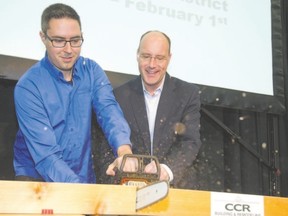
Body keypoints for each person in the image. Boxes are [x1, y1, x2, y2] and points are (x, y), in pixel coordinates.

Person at [13, 3, 135, 183]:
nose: (69, 50)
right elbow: (46, 157)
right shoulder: (29, 87)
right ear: (43, 37)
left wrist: (124, 151)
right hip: (37, 178)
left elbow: (109, 111)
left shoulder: (92, 71)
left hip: (81, 173)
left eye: (75, 40)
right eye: (59, 41)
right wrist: (80, 192)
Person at [110, 30, 202, 188]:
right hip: (129, 190)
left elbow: (190, 142)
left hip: (175, 190)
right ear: (137, 55)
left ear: (169, 59)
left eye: (159, 58)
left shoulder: (187, 94)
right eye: (146, 56)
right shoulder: (119, 96)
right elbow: (108, 143)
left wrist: (166, 169)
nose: (152, 65)